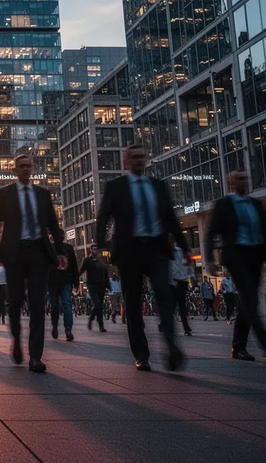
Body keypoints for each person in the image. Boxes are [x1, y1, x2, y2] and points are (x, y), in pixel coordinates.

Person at [96, 144, 190, 372]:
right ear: (125, 162)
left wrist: (184, 247)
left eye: (142, 156)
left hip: (156, 248)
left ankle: (171, 346)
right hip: (130, 251)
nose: (139, 161)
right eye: (134, 157)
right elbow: (103, 219)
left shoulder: (157, 186)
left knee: (165, 296)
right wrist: (100, 249)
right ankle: (141, 354)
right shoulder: (116, 187)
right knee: (133, 304)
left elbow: (170, 218)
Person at [0, 153, 67, 372]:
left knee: (37, 304)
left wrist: (61, 252)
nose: (25, 169)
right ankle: (16, 341)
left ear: (31, 169)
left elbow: (53, 224)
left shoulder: (42, 194)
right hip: (14, 253)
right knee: (14, 302)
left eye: (28, 166)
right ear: (14, 170)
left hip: (38, 253)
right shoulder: (5, 194)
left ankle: (35, 357)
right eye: (21, 166)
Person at [205, 170, 266, 364]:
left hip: (255, 256)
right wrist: (209, 260)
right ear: (232, 183)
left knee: (248, 303)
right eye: (240, 179)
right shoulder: (224, 205)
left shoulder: (257, 204)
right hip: (236, 256)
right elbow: (211, 234)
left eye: (246, 178)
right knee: (250, 301)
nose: (245, 182)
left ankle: (238, 346)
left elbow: (265, 234)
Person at [49, 237, 79, 341]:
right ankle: (65, 328)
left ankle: (63, 328)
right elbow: (75, 267)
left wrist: (76, 283)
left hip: (59, 281)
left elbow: (74, 266)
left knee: (58, 305)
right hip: (60, 281)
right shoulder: (67, 248)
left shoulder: (52, 248)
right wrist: (76, 283)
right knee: (64, 304)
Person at [80, 244, 109, 333]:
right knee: (98, 304)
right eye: (93, 249)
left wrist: (108, 284)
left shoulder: (101, 260)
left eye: (96, 249)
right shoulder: (87, 260)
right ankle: (92, 318)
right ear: (90, 250)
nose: (95, 251)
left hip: (101, 285)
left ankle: (101, 325)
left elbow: (106, 272)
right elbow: (81, 270)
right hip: (92, 286)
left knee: (100, 306)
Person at [170, 246, 194, 336]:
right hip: (179, 281)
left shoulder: (175, 253)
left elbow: (172, 268)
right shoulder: (180, 252)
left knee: (178, 305)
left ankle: (186, 327)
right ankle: (186, 328)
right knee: (180, 305)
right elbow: (189, 266)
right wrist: (192, 278)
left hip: (179, 281)